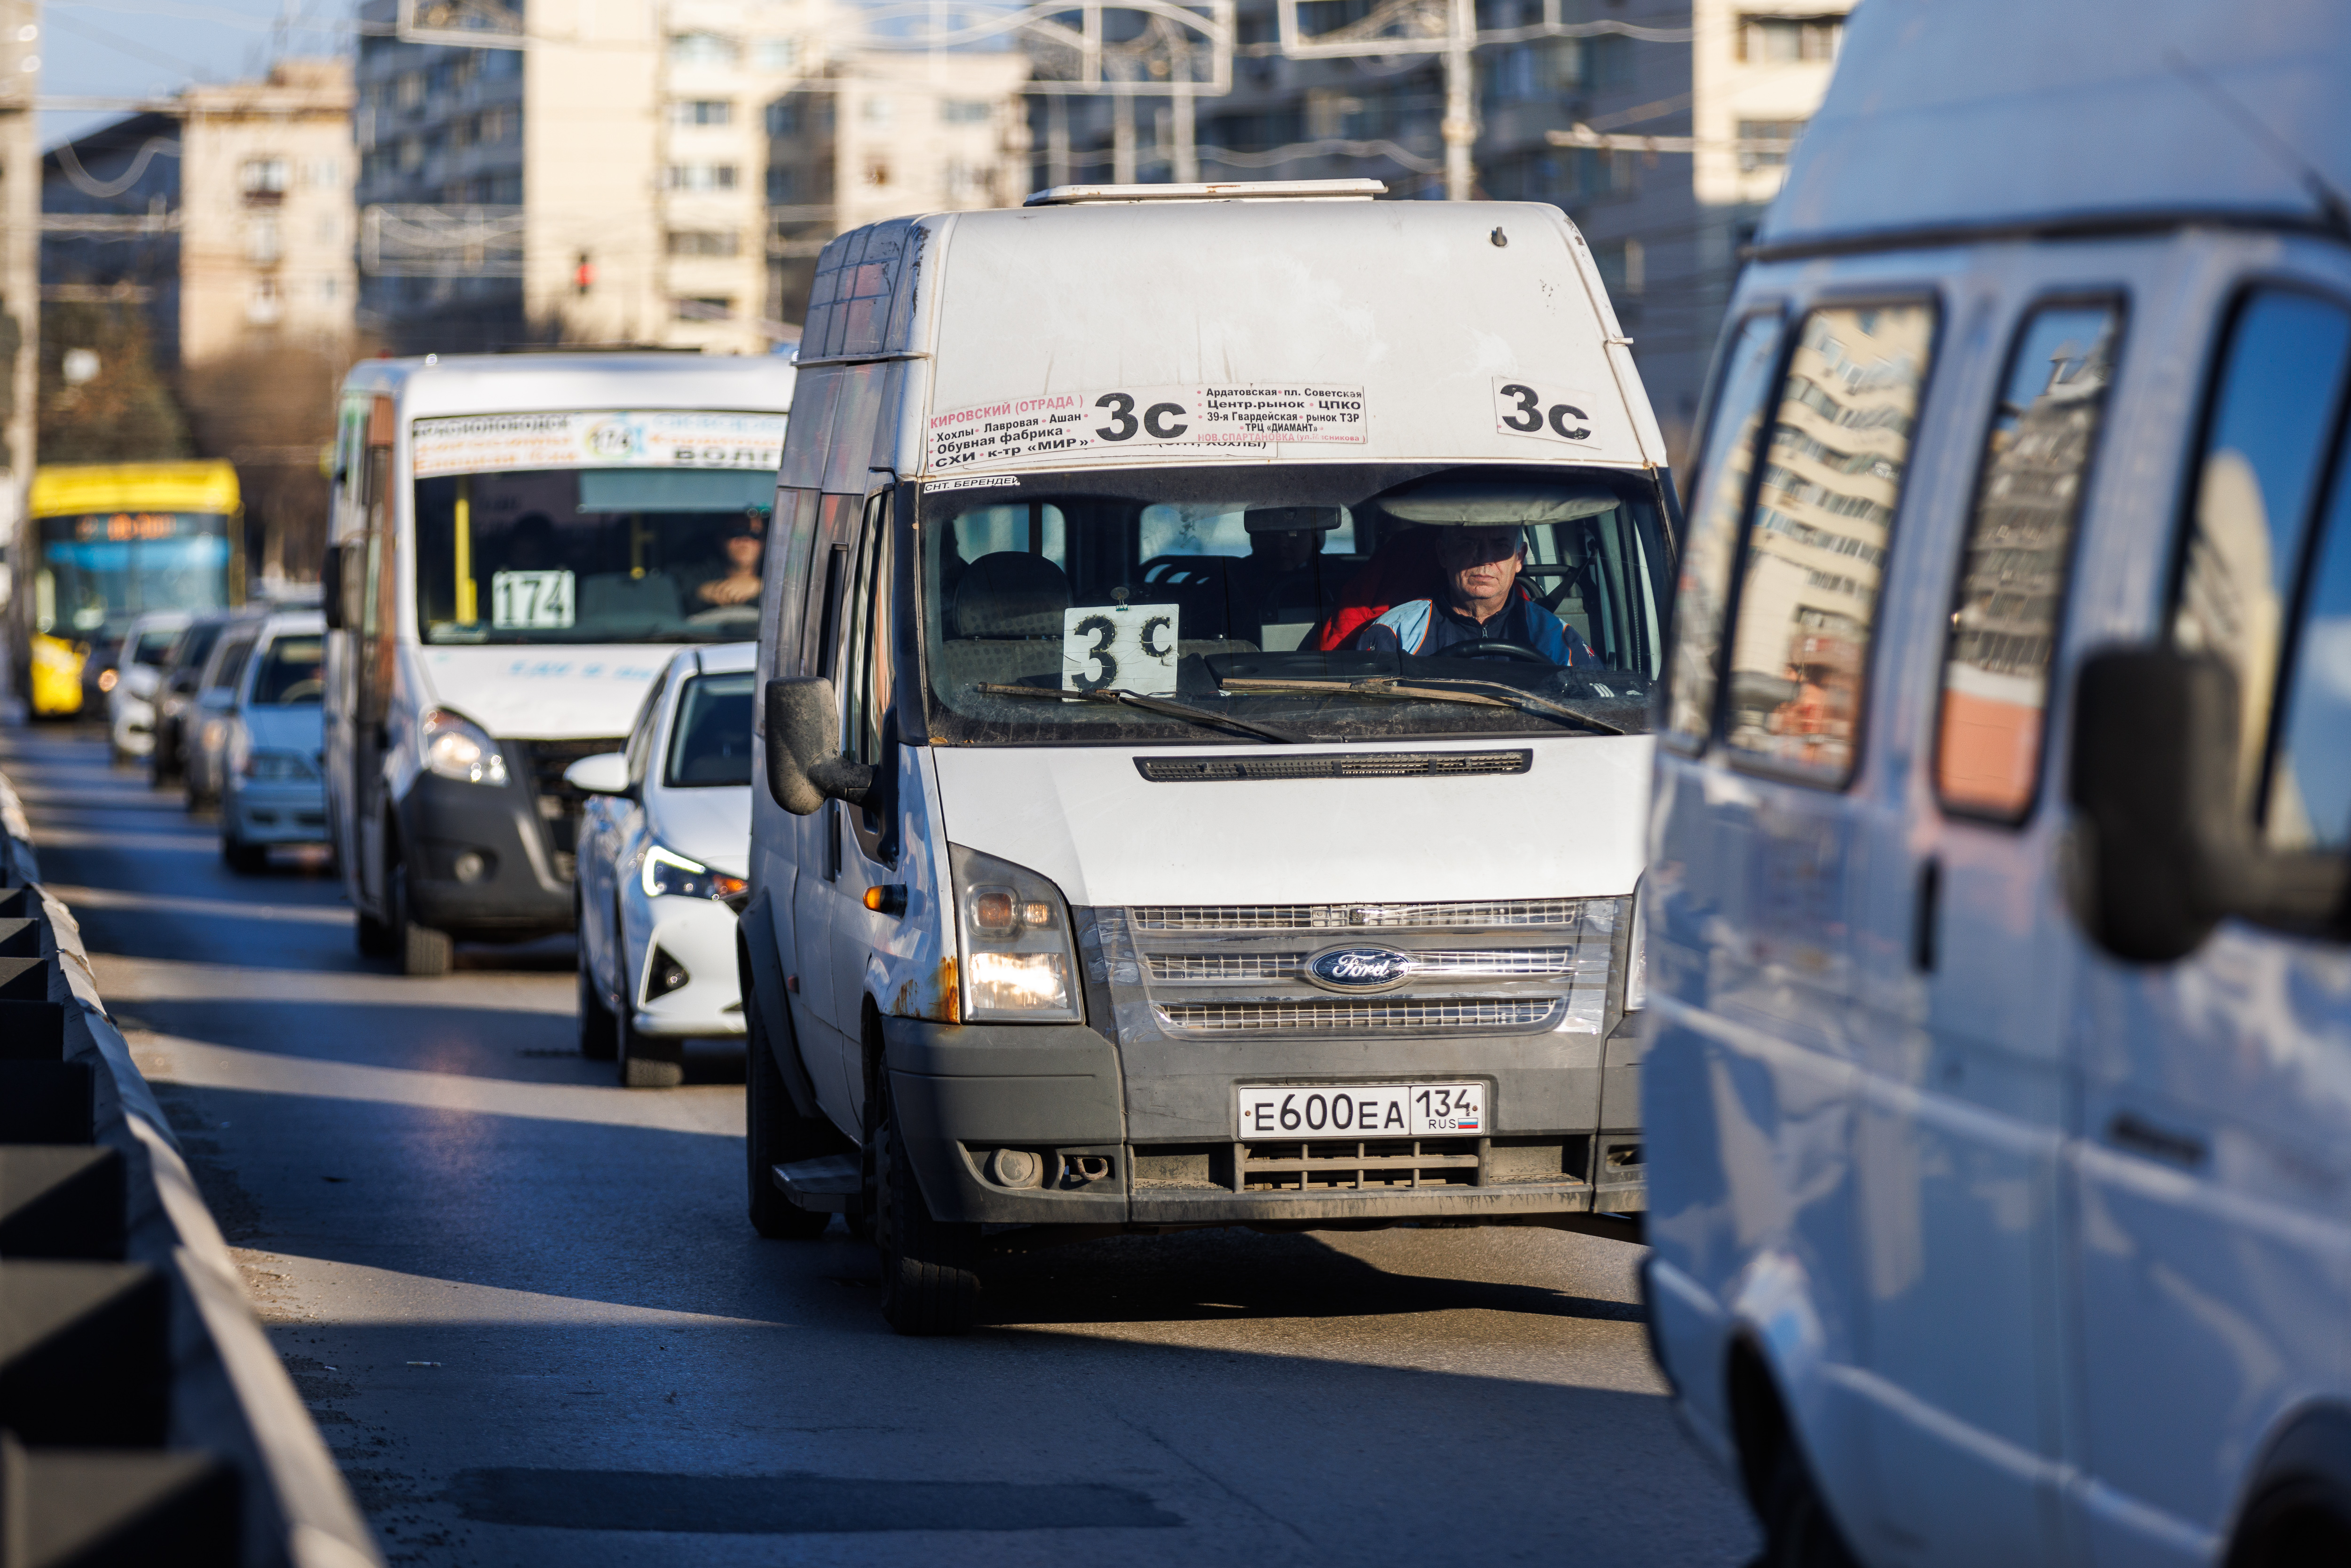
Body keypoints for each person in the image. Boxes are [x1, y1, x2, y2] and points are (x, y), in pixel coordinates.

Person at [1346, 523, 1594, 664]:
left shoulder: (1558, 637)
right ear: (1443, 554)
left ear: (1519, 558)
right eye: (1468, 544)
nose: (1485, 559)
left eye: (1500, 545)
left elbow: (1596, 712)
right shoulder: (1394, 633)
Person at [695, 512, 766, 608]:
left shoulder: (779, 576)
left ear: (765, 542)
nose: (745, 540)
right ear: (721, 540)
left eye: (754, 534)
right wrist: (701, 593)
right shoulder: (701, 570)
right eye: (736, 533)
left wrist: (760, 586)